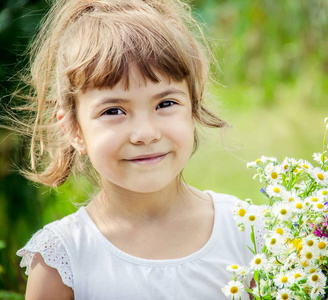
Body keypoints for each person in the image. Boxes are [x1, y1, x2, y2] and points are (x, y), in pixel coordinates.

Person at [13, 0, 263, 298]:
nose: (145, 134)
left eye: (165, 104)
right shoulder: (61, 257)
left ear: (193, 109)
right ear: (74, 129)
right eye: (114, 111)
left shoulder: (247, 231)